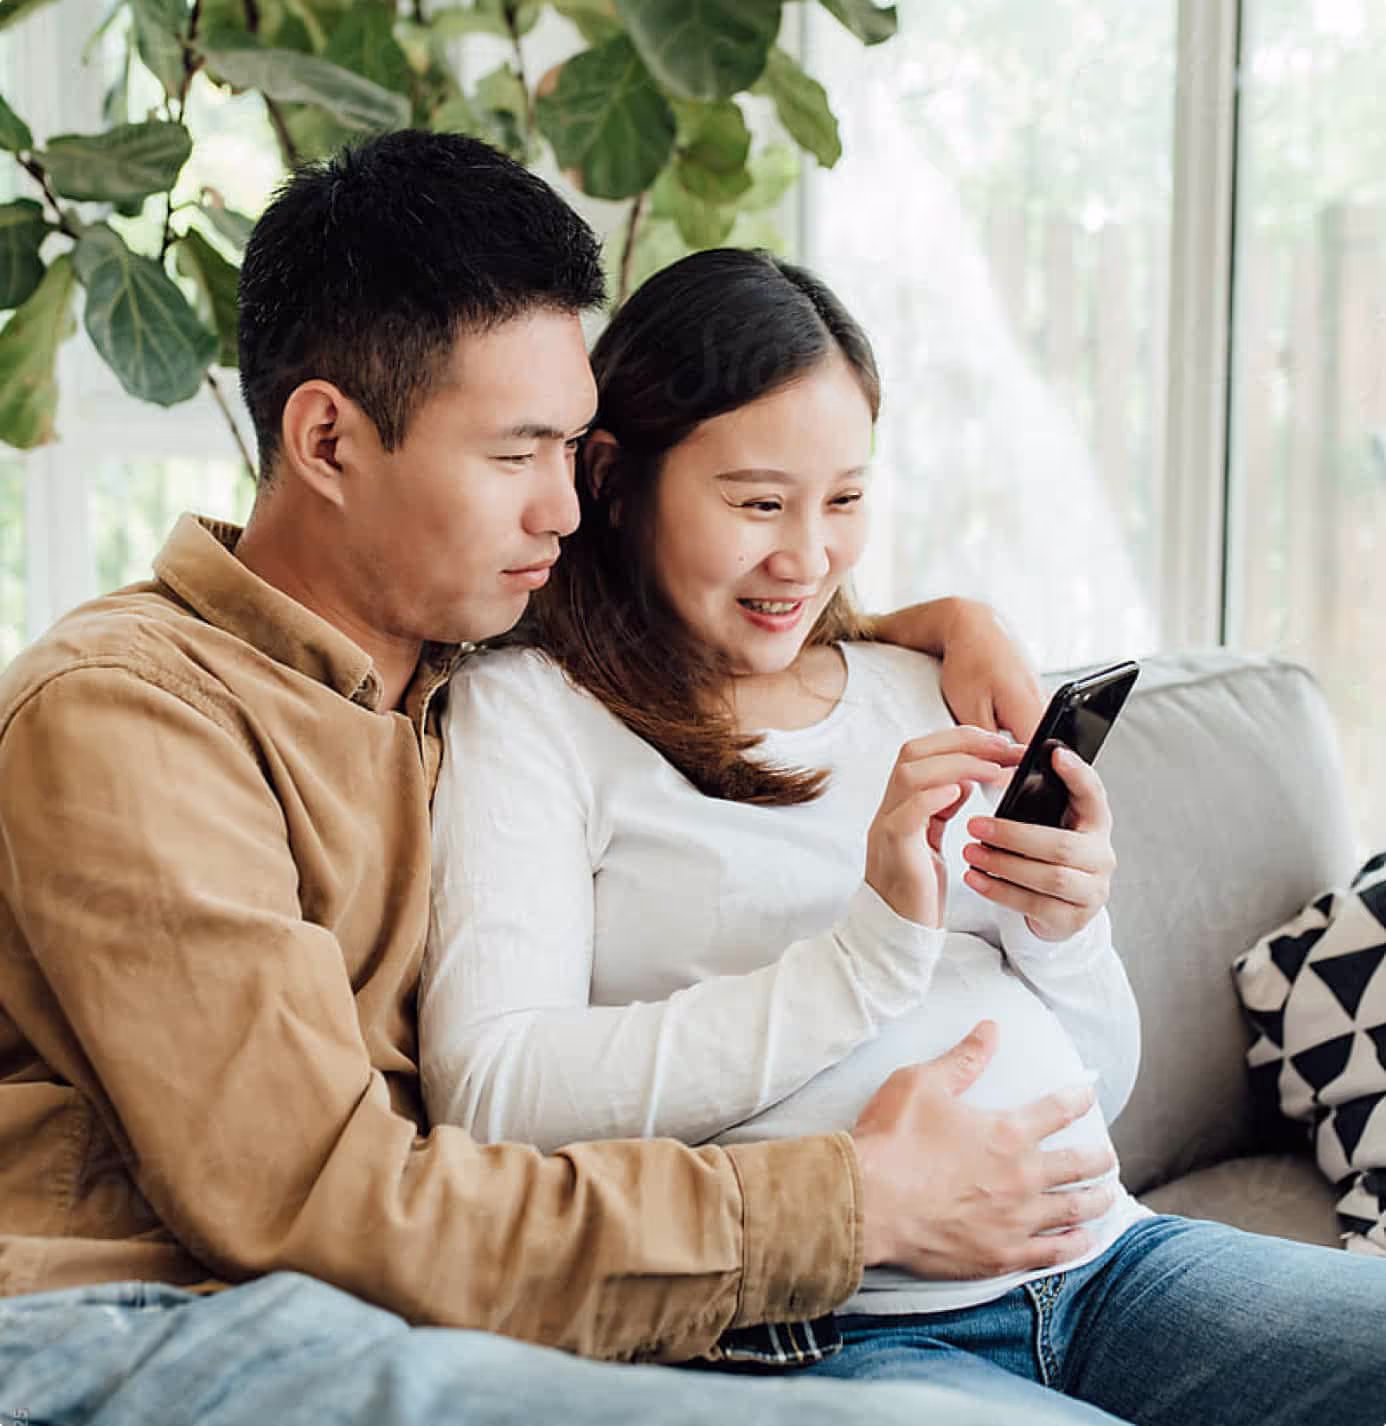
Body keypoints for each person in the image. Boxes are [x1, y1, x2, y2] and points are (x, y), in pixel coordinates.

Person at [0, 131, 1108, 1426]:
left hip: (367, 1313)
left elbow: (723, 600)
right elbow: (313, 1203)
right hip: (133, 1321)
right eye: (513, 454)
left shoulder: (451, 666)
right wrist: (851, 1202)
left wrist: (941, 625)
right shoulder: (128, 716)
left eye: (571, 452)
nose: (565, 510)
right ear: (328, 439)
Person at [421, 247, 1386, 1426]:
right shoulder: (534, 714)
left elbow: (1102, 1081)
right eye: (757, 502)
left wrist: (1063, 929)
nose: (807, 556)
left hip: (1114, 1264)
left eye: (844, 499)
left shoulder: (923, 681)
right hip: (829, 1330)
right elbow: (496, 1092)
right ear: (619, 479)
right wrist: (868, 954)